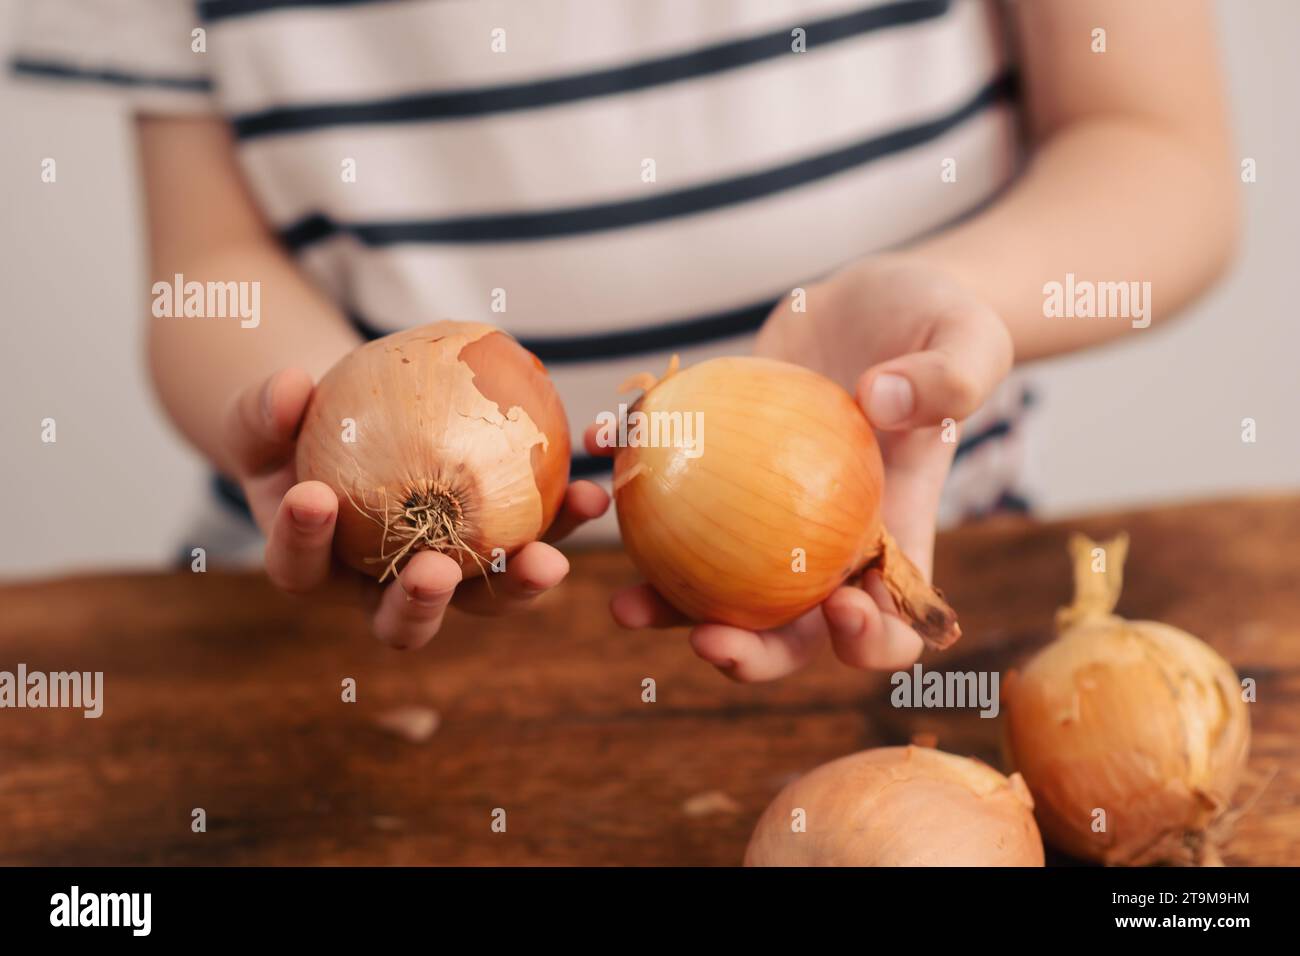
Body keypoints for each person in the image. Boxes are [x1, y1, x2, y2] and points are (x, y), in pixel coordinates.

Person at [10, 0, 1238, 679]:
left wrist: (949, 303)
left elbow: (1161, 150)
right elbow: (208, 271)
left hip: (929, 544)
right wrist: (310, 422)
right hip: (332, 614)